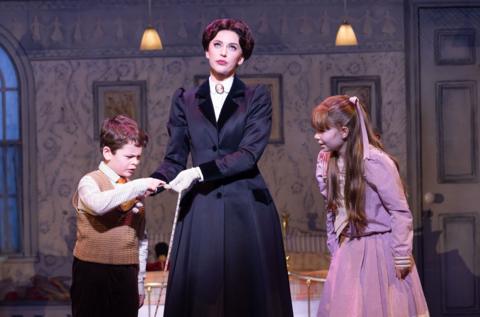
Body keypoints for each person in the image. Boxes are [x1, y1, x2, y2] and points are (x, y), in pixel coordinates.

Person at [151, 18, 293, 317]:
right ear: (206, 51)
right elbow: (175, 158)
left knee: (248, 297)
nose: (223, 52)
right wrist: (153, 182)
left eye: (232, 47)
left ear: (241, 56)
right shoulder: (185, 100)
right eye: (217, 45)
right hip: (201, 208)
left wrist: (199, 172)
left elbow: (248, 154)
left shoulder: (256, 97)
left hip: (247, 207)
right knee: (203, 296)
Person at [312, 95, 429, 316]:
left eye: (323, 130)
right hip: (350, 250)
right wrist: (336, 249)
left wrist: (401, 254)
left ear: (344, 131)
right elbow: (332, 210)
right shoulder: (327, 162)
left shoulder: (374, 161)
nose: (317, 136)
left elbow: (399, 210)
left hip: (380, 251)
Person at [70, 115, 164, 317]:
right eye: (129, 157)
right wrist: (138, 185)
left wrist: (139, 284)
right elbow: (98, 205)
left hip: (126, 274)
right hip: (92, 272)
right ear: (107, 152)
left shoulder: (131, 188)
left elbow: (140, 240)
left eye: (138, 157)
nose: (135, 163)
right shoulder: (90, 181)